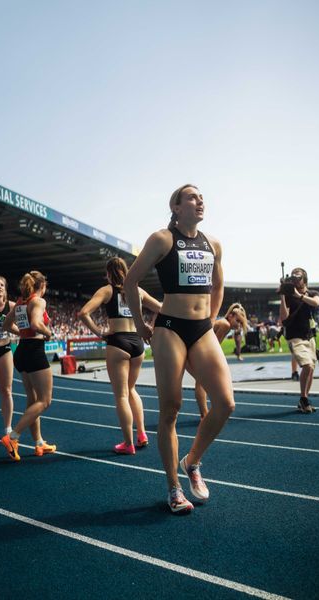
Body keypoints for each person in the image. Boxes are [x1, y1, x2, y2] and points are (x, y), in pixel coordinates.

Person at [124, 184, 235, 514]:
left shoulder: (213, 244)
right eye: (191, 197)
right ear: (175, 206)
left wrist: (210, 319)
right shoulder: (162, 239)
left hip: (201, 330)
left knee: (226, 403)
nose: (199, 201)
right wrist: (142, 324)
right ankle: (173, 488)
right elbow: (131, 282)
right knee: (171, 407)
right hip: (169, 327)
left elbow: (218, 285)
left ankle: (193, 461)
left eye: (201, 197)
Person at [79, 257, 161, 455]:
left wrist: (99, 331)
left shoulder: (106, 290)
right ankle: (141, 435)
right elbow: (161, 307)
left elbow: (83, 313)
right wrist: (153, 327)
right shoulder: (138, 290)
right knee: (132, 389)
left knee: (122, 395)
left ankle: (128, 443)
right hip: (137, 343)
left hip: (118, 343)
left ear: (108, 274)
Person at [2, 271, 56, 461]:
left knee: (33, 400)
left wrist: (21, 333)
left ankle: (39, 443)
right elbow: (35, 323)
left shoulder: (20, 302)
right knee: (45, 401)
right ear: (42, 286)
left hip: (22, 351)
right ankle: (13, 437)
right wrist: (48, 333)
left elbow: (6, 324)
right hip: (34, 351)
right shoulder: (38, 301)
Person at [192, 303, 248, 419]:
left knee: (203, 382)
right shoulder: (225, 325)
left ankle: (205, 413)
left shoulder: (224, 324)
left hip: (198, 347)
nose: (238, 325)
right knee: (202, 382)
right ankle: (204, 414)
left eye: (241, 323)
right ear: (231, 316)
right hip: (199, 349)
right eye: (238, 321)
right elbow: (214, 346)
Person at [279, 267, 319, 414]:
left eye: (299, 277)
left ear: (305, 279)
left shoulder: (313, 293)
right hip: (294, 337)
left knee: (311, 370)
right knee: (307, 366)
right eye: (294, 277)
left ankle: (304, 399)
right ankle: (304, 399)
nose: (296, 280)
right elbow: (283, 319)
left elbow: (315, 303)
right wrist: (283, 296)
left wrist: (300, 295)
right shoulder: (290, 297)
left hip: (310, 337)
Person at [0, 276, 15, 436]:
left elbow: (27, 323)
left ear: (5, 289)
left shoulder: (12, 306)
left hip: (4, 350)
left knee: (6, 390)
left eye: (1, 284)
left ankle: (8, 429)